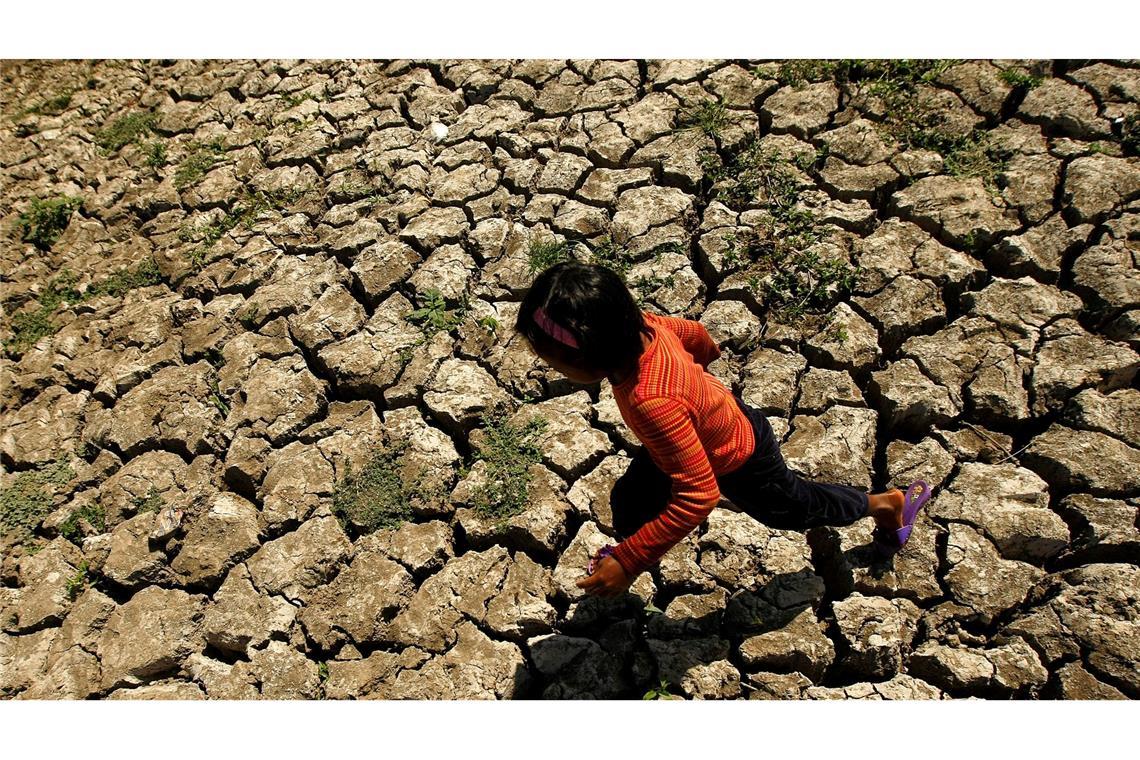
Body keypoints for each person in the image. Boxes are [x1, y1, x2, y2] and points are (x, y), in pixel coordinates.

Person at [515, 260, 931, 598]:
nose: (550, 368)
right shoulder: (645, 327)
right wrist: (699, 383)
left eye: (554, 362)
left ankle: (885, 504)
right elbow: (696, 335)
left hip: (741, 458)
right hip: (696, 433)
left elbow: (698, 496)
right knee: (631, 500)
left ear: (592, 357)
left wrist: (630, 562)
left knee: (796, 508)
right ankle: (630, 549)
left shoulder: (651, 402)